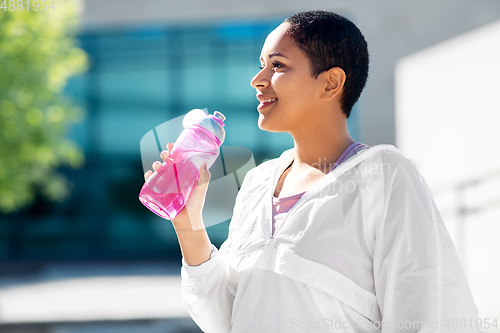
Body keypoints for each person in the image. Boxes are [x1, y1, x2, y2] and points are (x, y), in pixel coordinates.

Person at [144, 10, 478, 333]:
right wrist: (189, 226)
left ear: (330, 83)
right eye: (262, 66)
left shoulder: (385, 177)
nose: (257, 80)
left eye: (277, 65)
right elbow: (228, 319)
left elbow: (432, 316)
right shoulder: (259, 183)